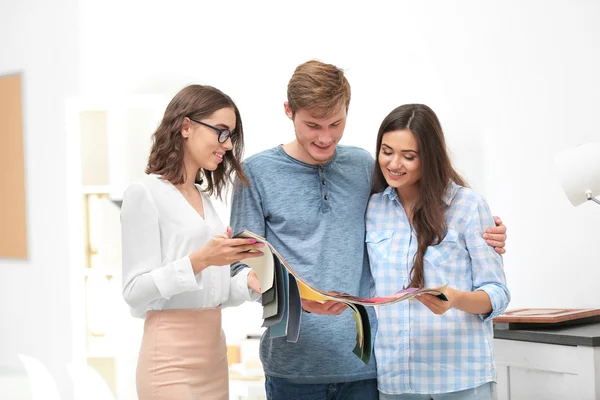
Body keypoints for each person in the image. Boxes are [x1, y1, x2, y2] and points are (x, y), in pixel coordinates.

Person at [230, 60, 508, 400]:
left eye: (336, 123)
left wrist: (486, 232)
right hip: (293, 368)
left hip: (367, 367)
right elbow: (241, 268)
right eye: (313, 125)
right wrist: (295, 299)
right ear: (289, 111)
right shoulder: (254, 174)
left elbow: (415, 210)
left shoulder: (363, 166)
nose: (325, 137)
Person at [120, 84, 265, 400]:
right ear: (186, 126)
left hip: (213, 354)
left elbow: (213, 292)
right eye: (221, 132)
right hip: (169, 359)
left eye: (231, 136)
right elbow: (133, 292)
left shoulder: (203, 199)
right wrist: (202, 259)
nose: (227, 145)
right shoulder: (145, 193)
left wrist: (247, 282)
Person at [366, 104, 510, 399]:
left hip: (460, 378)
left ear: (429, 158)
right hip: (397, 382)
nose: (394, 163)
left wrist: (455, 299)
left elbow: (497, 293)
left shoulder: (468, 206)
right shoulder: (373, 209)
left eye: (409, 156)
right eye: (386, 151)